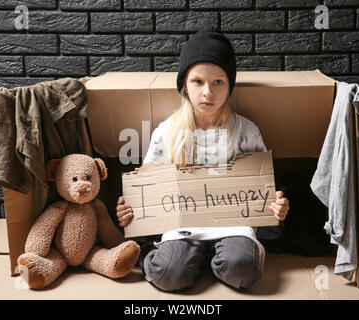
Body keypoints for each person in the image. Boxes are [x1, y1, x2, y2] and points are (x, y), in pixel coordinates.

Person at [116, 27, 289, 292]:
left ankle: (215, 258)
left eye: (217, 82)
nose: (207, 92)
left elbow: (261, 193)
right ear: (185, 85)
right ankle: (188, 258)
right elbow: (147, 191)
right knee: (169, 275)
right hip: (183, 227)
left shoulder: (246, 131)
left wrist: (275, 207)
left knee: (243, 270)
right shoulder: (166, 131)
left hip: (233, 227)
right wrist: (132, 210)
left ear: (229, 85)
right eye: (198, 81)